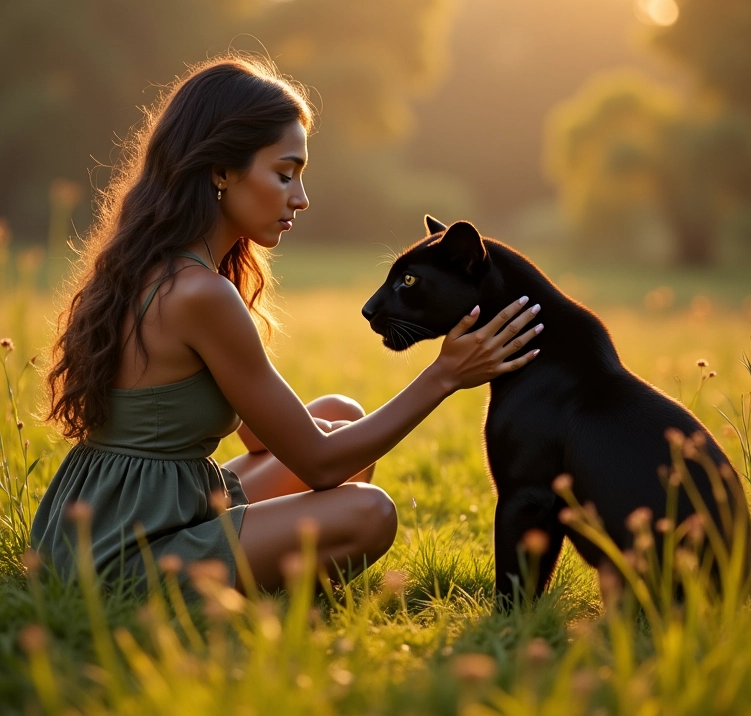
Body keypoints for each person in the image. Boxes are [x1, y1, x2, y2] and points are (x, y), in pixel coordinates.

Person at [31, 54, 543, 599]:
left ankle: (255, 576)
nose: (299, 198)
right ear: (221, 172)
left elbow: (259, 433)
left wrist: (337, 437)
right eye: (284, 174)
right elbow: (320, 467)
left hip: (125, 509)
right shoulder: (202, 293)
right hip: (122, 551)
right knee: (368, 512)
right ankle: (253, 605)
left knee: (339, 416)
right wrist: (443, 375)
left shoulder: (162, 263)